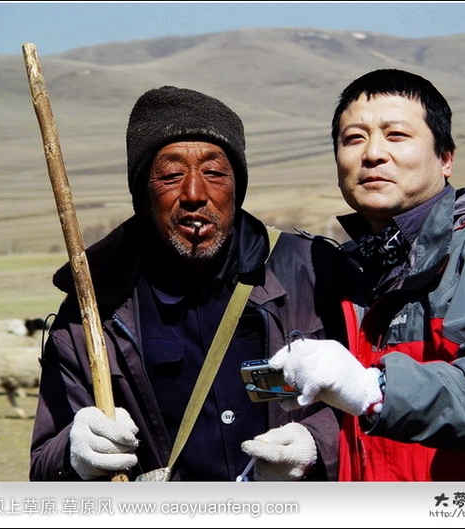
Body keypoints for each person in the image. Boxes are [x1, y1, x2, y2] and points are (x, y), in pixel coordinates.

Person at [269, 68, 465, 481]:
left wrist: (372, 390)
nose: (372, 154)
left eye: (396, 135)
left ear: (446, 158)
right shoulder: (366, 270)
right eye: (353, 138)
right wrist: (317, 442)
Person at [30, 86, 346, 481]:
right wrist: (74, 457)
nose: (194, 193)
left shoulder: (312, 274)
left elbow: (377, 408)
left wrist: (318, 443)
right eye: (171, 175)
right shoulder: (94, 313)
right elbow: (43, 466)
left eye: (214, 172)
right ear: (143, 194)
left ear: (237, 188)